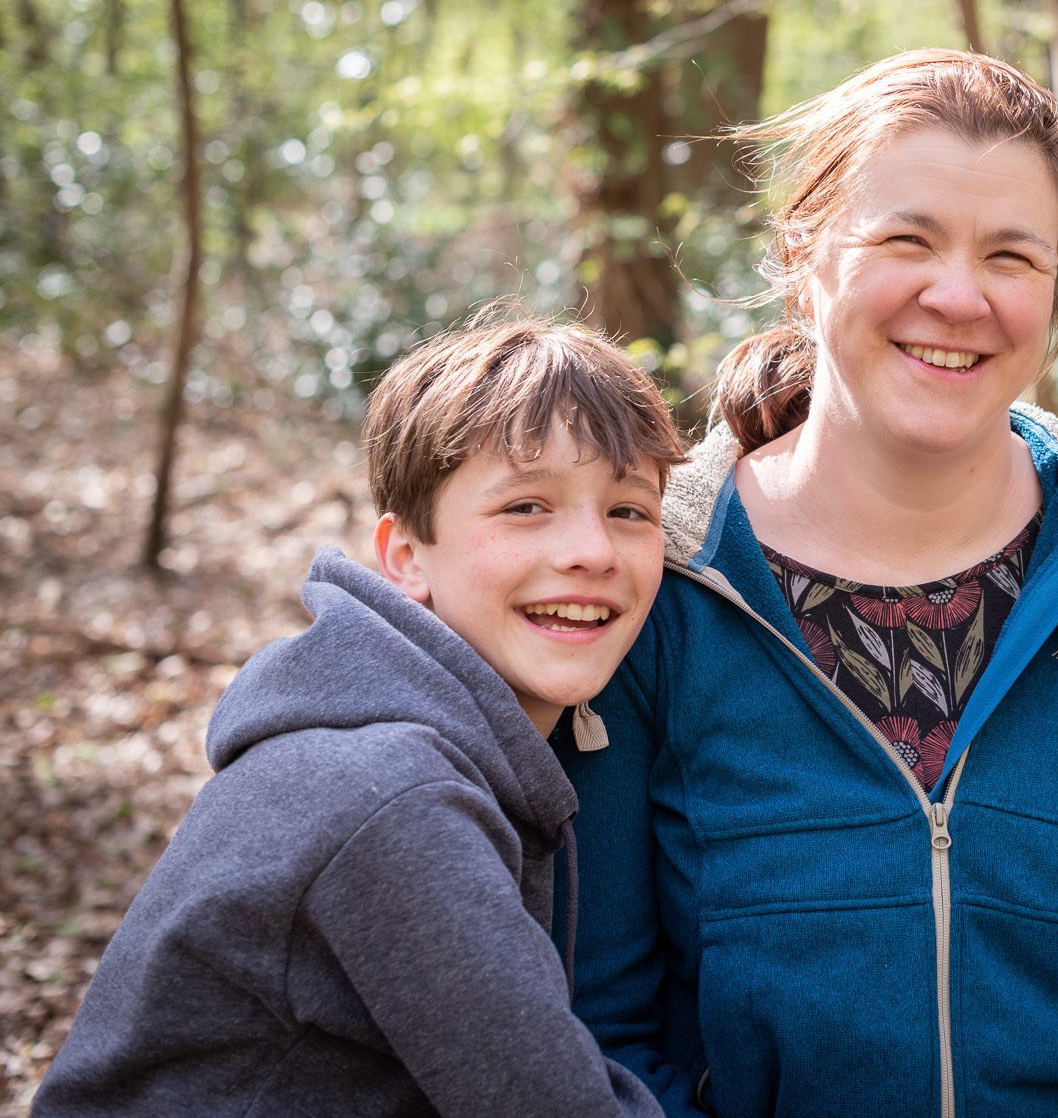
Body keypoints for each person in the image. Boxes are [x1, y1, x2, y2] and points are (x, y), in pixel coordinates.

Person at [559, 50, 1058, 1117]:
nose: (958, 295)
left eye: (1011, 257)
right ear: (803, 253)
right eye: (907, 239)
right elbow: (602, 1026)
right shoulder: (664, 583)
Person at [33, 314, 682, 1118]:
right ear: (406, 557)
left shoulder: (422, 745)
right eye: (526, 506)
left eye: (630, 510)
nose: (593, 550)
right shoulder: (392, 797)